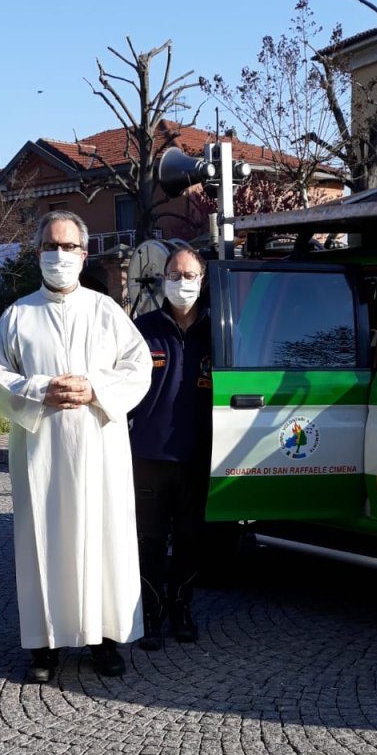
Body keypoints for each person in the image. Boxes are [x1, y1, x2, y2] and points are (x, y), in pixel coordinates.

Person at [0, 211, 152, 684]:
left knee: (103, 539)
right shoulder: (18, 315)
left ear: (84, 251)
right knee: (44, 541)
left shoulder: (106, 311)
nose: (59, 255)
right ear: (38, 254)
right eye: (50, 247)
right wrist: (38, 390)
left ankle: (104, 640)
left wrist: (95, 388)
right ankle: (43, 645)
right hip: (42, 454)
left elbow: (139, 368)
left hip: (99, 450)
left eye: (68, 246)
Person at [129, 246, 212, 650]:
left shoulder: (218, 331)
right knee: (148, 540)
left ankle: (182, 609)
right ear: (164, 279)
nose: (182, 283)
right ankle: (152, 612)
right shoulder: (142, 328)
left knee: (190, 538)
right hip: (148, 456)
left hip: (198, 455)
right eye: (175, 275)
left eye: (189, 275)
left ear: (203, 279)